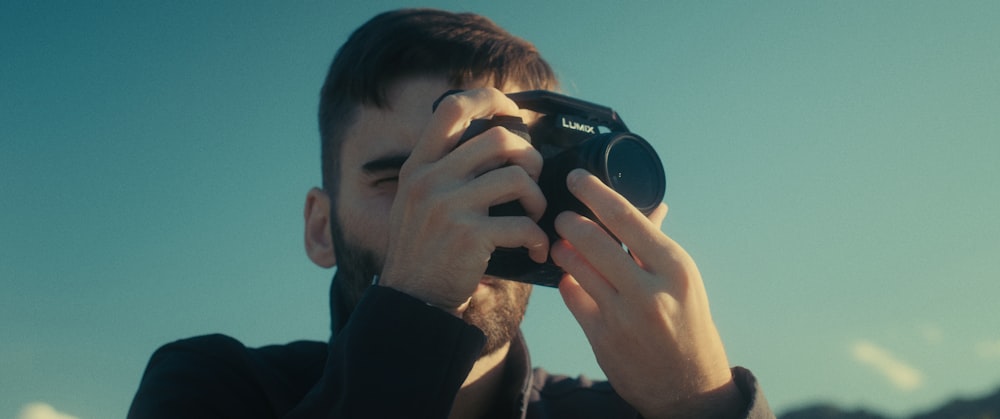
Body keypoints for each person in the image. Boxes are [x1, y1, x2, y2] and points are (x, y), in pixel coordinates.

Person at [128, 8, 774, 419]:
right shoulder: (213, 383)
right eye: (402, 179)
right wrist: (414, 310)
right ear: (320, 226)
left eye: (499, 167)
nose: (455, 203)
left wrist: (702, 402)